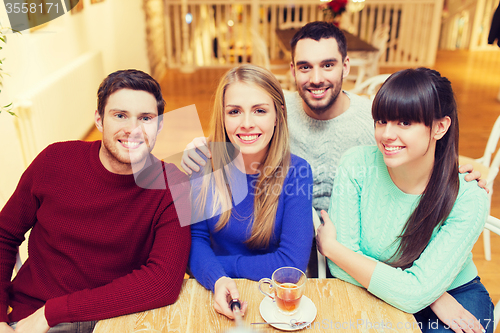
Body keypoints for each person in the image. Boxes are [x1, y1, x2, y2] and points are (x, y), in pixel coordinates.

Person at [180, 21, 483, 277]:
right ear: (292, 71)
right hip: (294, 236)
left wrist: (467, 164)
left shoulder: (375, 121)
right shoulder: (275, 107)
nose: (316, 78)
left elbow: (416, 143)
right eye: (305, 67)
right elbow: (239, 124)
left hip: (349, 244)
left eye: (328, 65)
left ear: (345, 66)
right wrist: (198, 148)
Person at [0, 69, 191, 333]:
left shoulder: (174, 185)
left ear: (159, 125)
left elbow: (163, 282)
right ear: (100, 120)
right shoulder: (54, 161)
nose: (133, 129)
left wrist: (52, 313)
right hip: (29, 318)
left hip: (114, 319)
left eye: (145, 118)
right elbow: (4, 234)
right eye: (120, 115)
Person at [316, 68, 494, 333]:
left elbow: (342, 257)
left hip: (454, 292)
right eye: (382, 121)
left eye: (405, 123)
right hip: (385, 289)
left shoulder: (469, 196)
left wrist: (333, 248)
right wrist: (422, 292)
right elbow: (340, 270)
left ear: (440, 127)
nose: (387, 134)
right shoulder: (356, 164)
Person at [188, 64, 313, 319]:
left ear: (278, 116)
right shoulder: (200, 162)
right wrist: (217, 278)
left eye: (259, 110)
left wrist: (218, 267)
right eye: (234, 111)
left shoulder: (298, 172)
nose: (246, 124)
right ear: (222, 117)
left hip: (272, 296)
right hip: (214, 290)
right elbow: (192, 241)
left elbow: (291, 265)